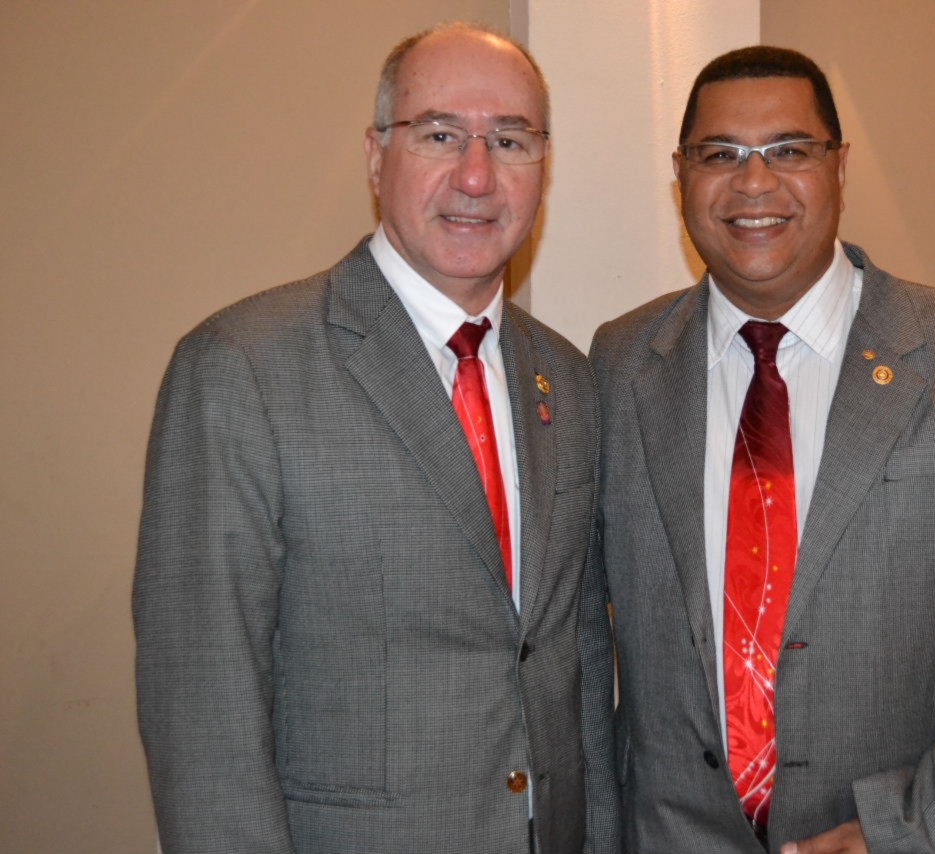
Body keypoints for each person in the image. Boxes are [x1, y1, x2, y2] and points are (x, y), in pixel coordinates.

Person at [590, 46, 935, 854]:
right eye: (720, 155)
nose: (754, 184)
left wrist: (909, 830)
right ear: (681, 176)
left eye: (790, 150)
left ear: (840, 166)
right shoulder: (619, 363)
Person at [133, 23, 616, 854]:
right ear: (374, 155)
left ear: (544, 165)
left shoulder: (569, 379)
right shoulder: (242, 368)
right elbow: (203, 712)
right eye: (439, 135)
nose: (476, 176)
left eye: (510, 141)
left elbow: (577, 661)